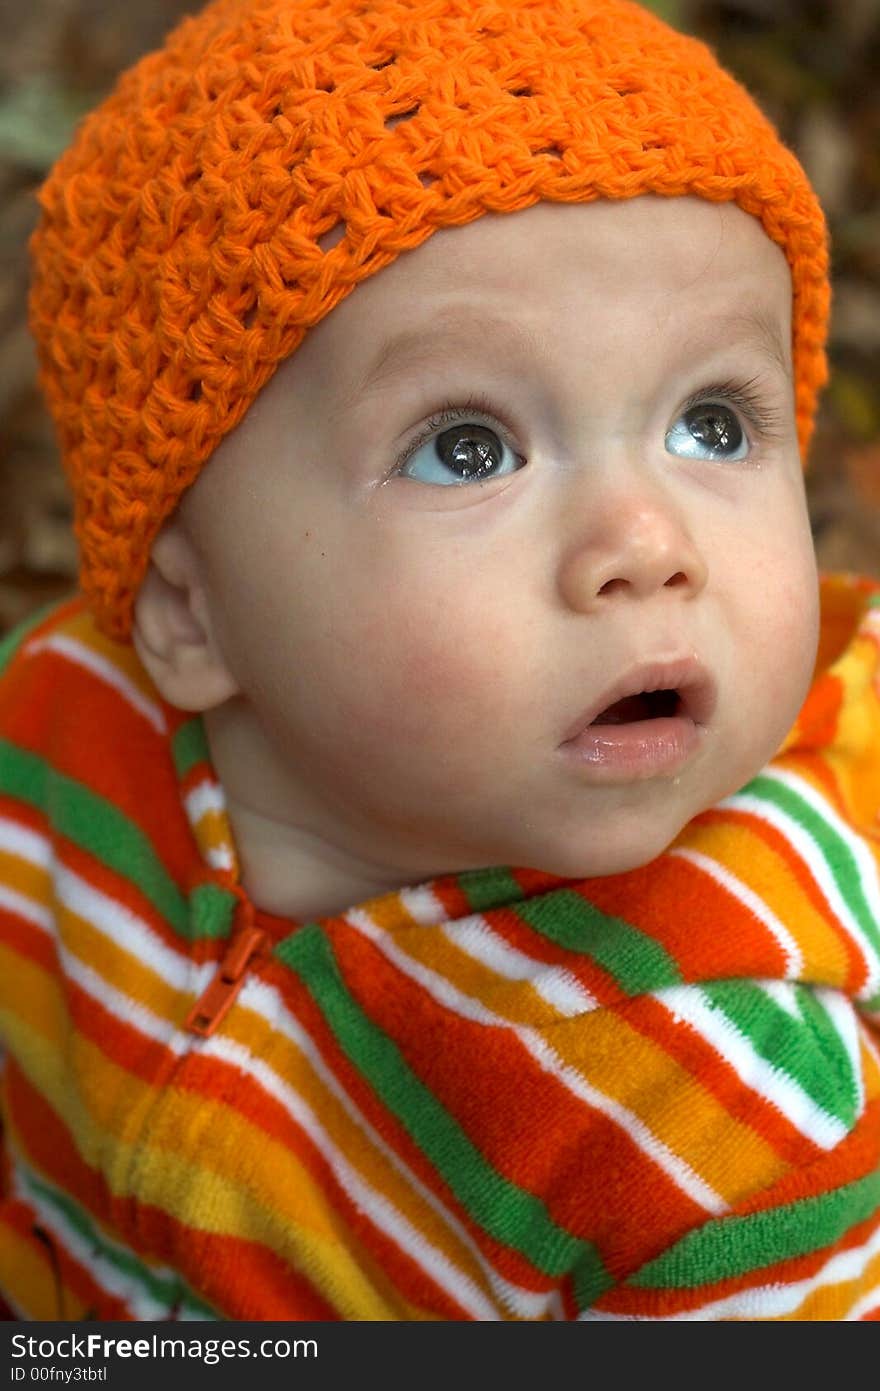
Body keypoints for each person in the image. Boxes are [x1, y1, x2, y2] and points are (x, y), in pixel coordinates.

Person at [1, 0, 878, 1322]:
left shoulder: (726, 1111)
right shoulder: (52, 740)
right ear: (189, 610)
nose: (647, 544)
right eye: (469, 449)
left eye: (713, 424)